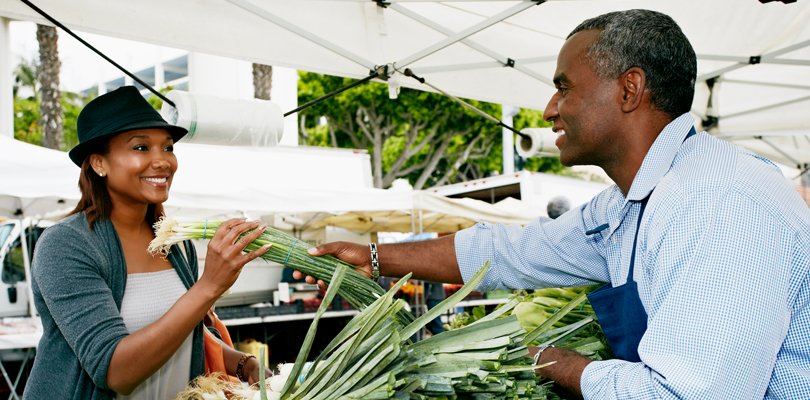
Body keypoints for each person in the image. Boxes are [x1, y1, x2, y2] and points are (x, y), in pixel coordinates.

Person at [294, 9, 810, 399]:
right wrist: (380, 258)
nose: (548, 109)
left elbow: (688, 394)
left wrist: (557, 364)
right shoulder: (630, 204)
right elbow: (515, 250)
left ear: (630, 89)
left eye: (564, 88)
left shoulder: (719, 205)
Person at [24, 86, 272, 400]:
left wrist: (241, 363)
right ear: (99, 162)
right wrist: (209, 286)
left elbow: (186, 333)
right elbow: (115, 372)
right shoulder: (66, 245)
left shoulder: (173, 242)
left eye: (167, 147)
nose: (162, 161)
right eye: (141, 147)